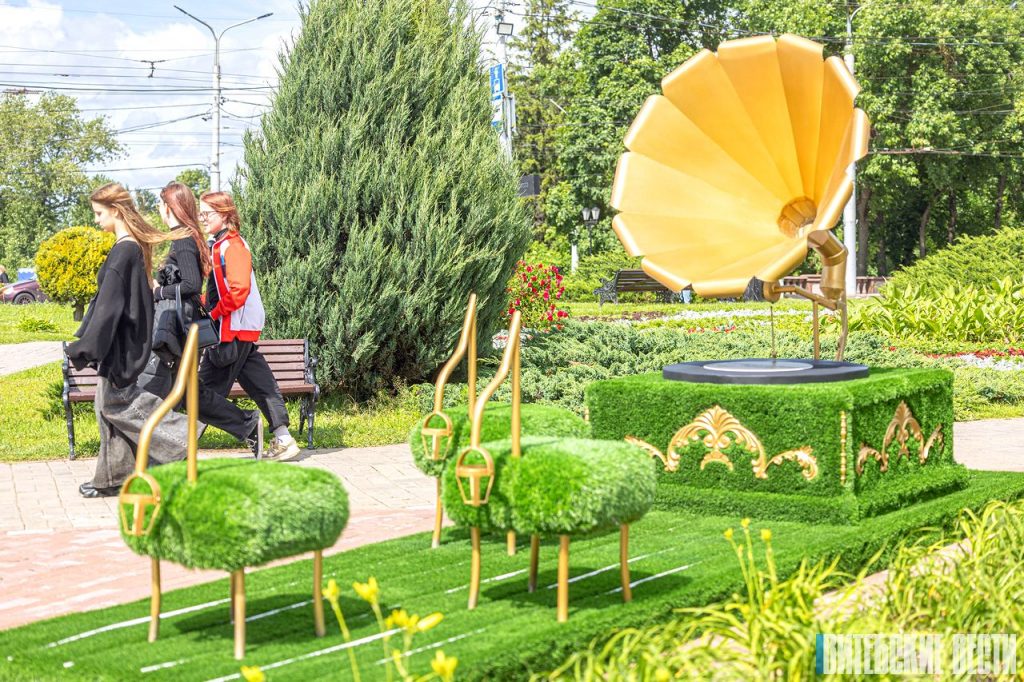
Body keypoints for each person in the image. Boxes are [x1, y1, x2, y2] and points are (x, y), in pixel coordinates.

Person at [65, 183, 191, 498]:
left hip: (121, 345)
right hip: (122, 343)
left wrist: (84, 347)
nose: (96, 220)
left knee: (117, 403)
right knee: (105, 407)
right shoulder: (130, 247)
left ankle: (182, 438)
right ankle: (114, 478)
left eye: (99, 213)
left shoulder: (124, 250)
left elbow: (109, 308)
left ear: (116, 211)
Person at [135, 181, 263, 455]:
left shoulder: (182, 239)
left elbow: (192, 285)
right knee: (190, 393)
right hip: (182, 327)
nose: (158, 209)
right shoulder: (186, 236)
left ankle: (150, 450)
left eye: (160, 204)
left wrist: (159, 291)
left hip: (177, 330)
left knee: (153, 388)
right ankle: (247, 424)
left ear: (169, 207)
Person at [199, 191, 301, 461]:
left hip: (230, 331)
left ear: (224, 214)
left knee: (202, 393)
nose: (202, 218)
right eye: (201, 213)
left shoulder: (232, 246)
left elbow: (239, 290)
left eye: (207, 213)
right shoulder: (220, 245)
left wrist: (214, 313)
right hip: (237, 330)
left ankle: (178, 448)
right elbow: (220, 289)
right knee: (261, 385)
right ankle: (284, 439)